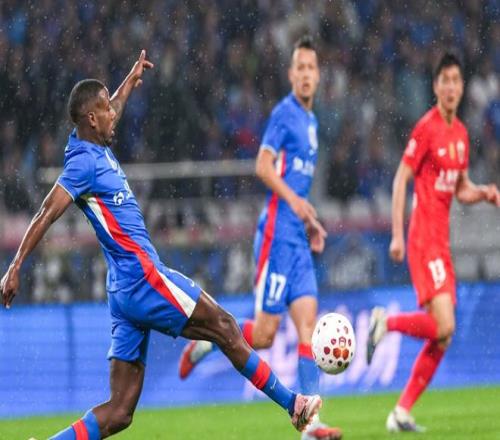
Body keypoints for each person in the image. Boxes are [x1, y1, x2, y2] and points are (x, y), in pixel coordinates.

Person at [0, 50, 325, 440]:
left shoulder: (92, 144)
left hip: (122, 292)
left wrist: (130, 80)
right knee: (225, 326)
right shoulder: (82, 164)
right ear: (91, 119)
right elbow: (45, 212)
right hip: (143, 277)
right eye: (105, 110)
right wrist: (15, 266)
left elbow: (113, 106)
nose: (113, 114)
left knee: (120, 412)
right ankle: (294, 405)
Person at [178, 36, 342, 440]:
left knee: (308, 328)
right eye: (300, 67)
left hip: (298, 239)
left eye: (311, 67)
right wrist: (296, 204)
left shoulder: (312, 123)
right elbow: (263, 166)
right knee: (266, 335)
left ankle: (310, 424)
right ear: (291, 74)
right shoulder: (285, 114)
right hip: (276, 235)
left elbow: (295, 185)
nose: (306, 74)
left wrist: (309, 220)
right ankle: (209, 342)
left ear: (319, 75)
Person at [366, 53, 500, 432]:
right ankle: (385, 322)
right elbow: (400, 179)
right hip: (423, 238)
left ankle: (401, 412)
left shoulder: (461, 134)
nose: (451, 87)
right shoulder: (426, 128)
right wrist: (397, 233)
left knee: (443, 335)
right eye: (445, 80)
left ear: (462, 86)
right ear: (436, 86)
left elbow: (461, 189)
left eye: (457, 80)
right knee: (444, 325)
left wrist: (484, 193)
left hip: (441, 242)